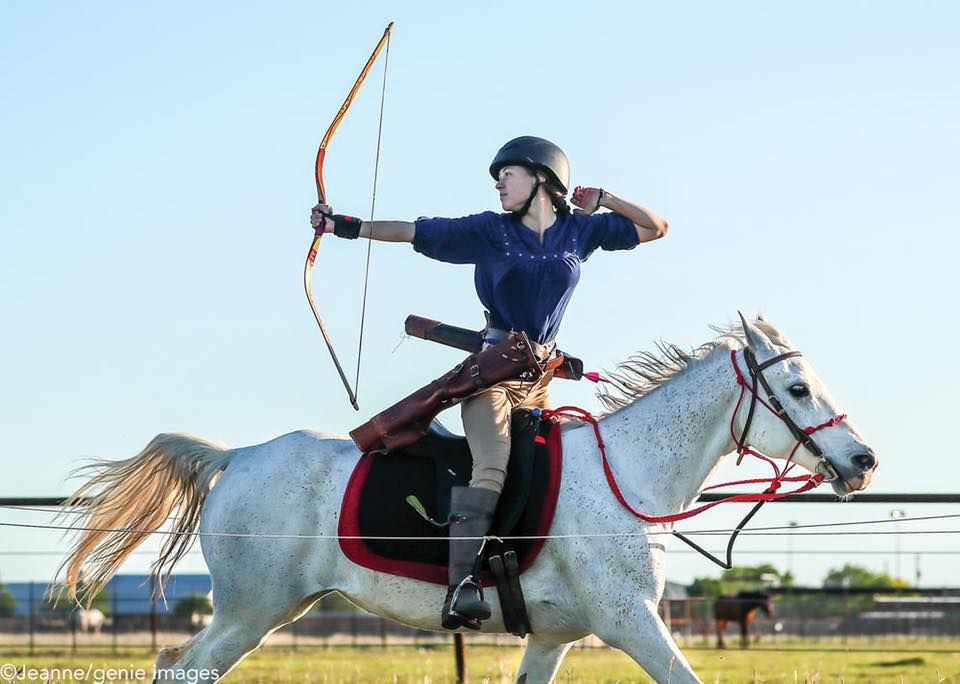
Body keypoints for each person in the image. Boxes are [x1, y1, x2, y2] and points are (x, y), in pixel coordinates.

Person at [310, 136, 669, 630]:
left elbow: (656, 228)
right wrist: (343, 226)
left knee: (559, 466)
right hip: (492, 376)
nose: (499, 181)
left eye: (510, 173)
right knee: (492, 466)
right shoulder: (488, 231)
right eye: (498, 177)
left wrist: (604, 198)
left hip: (540, 381)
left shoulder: (578, 232)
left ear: (543, 180)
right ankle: (462, 586)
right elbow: (413, 230)